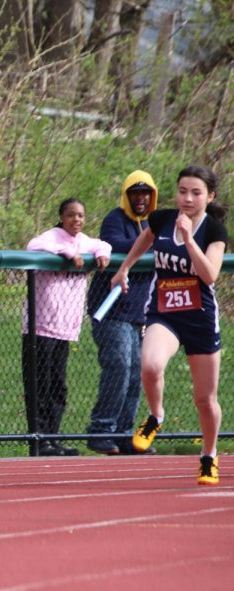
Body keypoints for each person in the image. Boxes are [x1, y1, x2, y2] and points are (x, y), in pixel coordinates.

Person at [112, 165, 228, 485]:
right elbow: (143, 241)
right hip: (164, 312)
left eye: (195, 193)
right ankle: (156, 416)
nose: (187, 198)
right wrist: (124, 269)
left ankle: (209, 455)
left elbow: (210, 275)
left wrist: (189, 239)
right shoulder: (162, 219)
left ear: (209, 196)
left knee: (205, 399)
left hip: (200, 318)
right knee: (149, 366)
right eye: (182, 191)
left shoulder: (214, 230)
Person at [23, 198, 111, 457]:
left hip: (64, 328)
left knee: (57, 386)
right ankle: (39, 440)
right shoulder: (52, 238)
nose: (77, 220)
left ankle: (53, 437)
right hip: (40, 326)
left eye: (81, 216)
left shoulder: (84, 241)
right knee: (40, 384)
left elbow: (103, 244)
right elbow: (33, 245)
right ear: (62, 217)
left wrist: (101, 254)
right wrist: (67, 254)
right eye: (71, 215)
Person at [85, 171, 159, 455]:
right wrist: (151, 241)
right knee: (118, 365)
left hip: (140, 313)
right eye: (135, 193)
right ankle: (101, 430)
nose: (140, 199)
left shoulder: (156, 223)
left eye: (145, 194)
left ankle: (125, 433)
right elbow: (117, 244)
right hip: (112, 309)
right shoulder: (115, 219)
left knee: (138, 372)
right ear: (126, 196)